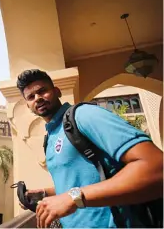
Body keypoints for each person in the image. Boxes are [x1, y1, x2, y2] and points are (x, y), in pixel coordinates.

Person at [16, 69, 163, 228]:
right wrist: (44, 194)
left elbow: (157, 167)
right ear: (28, 105)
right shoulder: (50, 138)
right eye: (31, 97)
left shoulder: (83, 115)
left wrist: (73, 198)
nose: (37, 98)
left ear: (57, 91)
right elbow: (80, 183)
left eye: (42, 91)